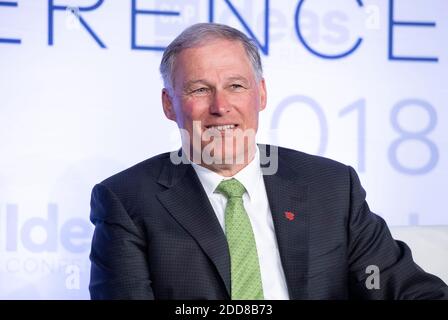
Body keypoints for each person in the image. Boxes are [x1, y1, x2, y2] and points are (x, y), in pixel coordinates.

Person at [88, 22, 448, 300]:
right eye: (199, 89)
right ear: (169, 105)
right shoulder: (127, 200)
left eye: (236, 86)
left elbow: (400, 285)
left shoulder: (332, 187)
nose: (220, 106)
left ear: (260, 94)